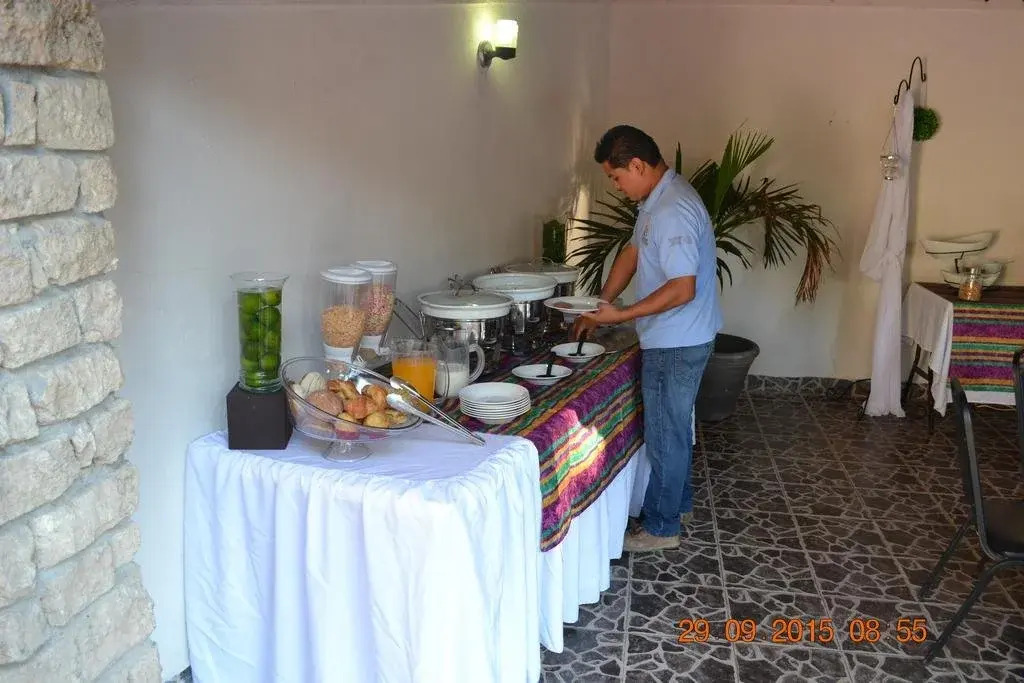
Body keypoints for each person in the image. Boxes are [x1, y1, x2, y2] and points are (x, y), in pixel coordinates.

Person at [573, 124, 722, 552]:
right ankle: (677, 503)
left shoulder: (672, 209)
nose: (616, 186)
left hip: (677, 342)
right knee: (672, 428)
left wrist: (622, 314)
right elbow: (633, 253)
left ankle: (660, 527)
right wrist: (601, 304)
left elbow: (682, 288)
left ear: (637, 165)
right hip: (678, 335)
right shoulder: (657, 200)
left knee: (665, 434)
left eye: (616, 177)